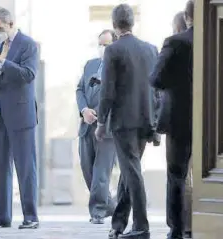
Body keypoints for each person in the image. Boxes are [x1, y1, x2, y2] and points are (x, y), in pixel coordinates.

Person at [95, 4, 159, 239]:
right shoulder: (151, 49)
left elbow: (107, 92)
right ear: (133, 22)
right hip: (145, 121)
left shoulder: (113, 51)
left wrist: (101, 122)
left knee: (132, 172)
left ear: (114, 24)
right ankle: (119, 224)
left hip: (123, 122)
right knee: (128, 171)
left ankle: (142, 227)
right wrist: (155, 124)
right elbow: (156, 91)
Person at [0, 7, 39, 230]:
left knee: (25, 168)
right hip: (1, 114)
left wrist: (4, 62)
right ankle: (1, 216)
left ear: (10, 23)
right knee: (0, 167)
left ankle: (30, 216)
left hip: (22, 115)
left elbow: (28, 74)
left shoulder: (28, 44)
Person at [150, 2, 194, 238]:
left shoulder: (176, 42)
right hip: (212, 120)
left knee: (177, 174)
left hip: (180, 118)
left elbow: (156, 78)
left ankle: (177, 229)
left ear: (187, 17)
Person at [76, 29, 118, 225]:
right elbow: (79, 89)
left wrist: (97, 113)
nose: (103, 49)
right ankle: (110, 205)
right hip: (86, 125)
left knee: (101, 172)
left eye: (107, 45)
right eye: (100, 44)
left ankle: (98, 212)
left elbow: (114, 95)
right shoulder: (90, 65)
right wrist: (84, 109)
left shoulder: (119, 67)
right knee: (87, 168)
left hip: (107, 126)